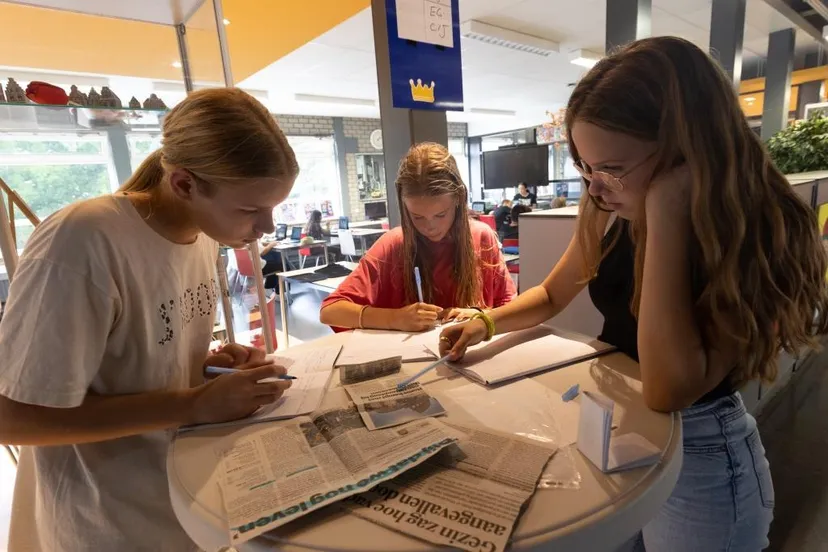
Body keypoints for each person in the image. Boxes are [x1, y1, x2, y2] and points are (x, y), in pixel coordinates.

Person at [440, 37, 828, 551]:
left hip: (703, 457)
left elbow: (668, 390)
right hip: (619, 437)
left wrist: (667, 209)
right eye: (586, 168)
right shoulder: (617, 207)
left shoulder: (750, 234)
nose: (596, 190)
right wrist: (485, 322)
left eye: (611, 170)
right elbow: (554, 294)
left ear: (684, 151)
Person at [0, 88, 300, 551]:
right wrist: (194, 404)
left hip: (185, 496)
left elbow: (140, 364)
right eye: (250, 209)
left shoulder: (202, 237)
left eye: (271, 208)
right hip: (108, 520)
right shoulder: (82, 239)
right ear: (183, 184)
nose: (267, 228)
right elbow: (13, 417)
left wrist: (210, 367)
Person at [319, 142, 516, 332]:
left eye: (440, 214)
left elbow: (512, 309)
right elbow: (331, 310)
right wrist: (394, 319)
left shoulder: (482, 237)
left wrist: (482, 317)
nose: (430, 227)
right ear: (404, 207)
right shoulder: (394, 244)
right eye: (417, 217)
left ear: (458, 199)